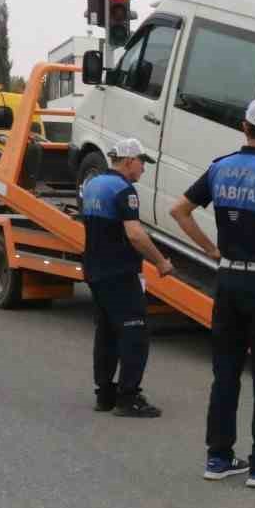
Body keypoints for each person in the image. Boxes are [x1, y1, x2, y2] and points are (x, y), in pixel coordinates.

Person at [170, 97, 255, 489]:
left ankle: (219, 457)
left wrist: (211, 249)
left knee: (224, 373)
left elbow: (179, 210)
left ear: (244, 127)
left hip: (227, 282)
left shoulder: (219, 167)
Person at [80, 138, 174, 417]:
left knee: (106, 332)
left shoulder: (93, 184)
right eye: (141, 162)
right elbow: (134, 233)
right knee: (135, 332)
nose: (143, 169)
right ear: (129, 161)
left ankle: (104, 394)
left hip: (95, 269)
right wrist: (160, 262)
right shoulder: (124, 190)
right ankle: (129, 398)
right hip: (119, 272)